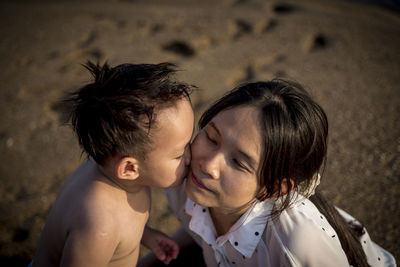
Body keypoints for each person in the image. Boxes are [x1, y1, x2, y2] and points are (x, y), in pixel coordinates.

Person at [141, 79, 396, 266]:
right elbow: (200, 229)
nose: (208, 165)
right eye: (211, 137)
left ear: (273, 189)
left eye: (239, 163)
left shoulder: (296, 245)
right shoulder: (183, 177)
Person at [32, 61, 195, 267]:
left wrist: (145, 236)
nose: (190, 156)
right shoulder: (100, 226)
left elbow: (122, 225)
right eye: (180, 154)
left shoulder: (108, 169)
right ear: (129, 169)